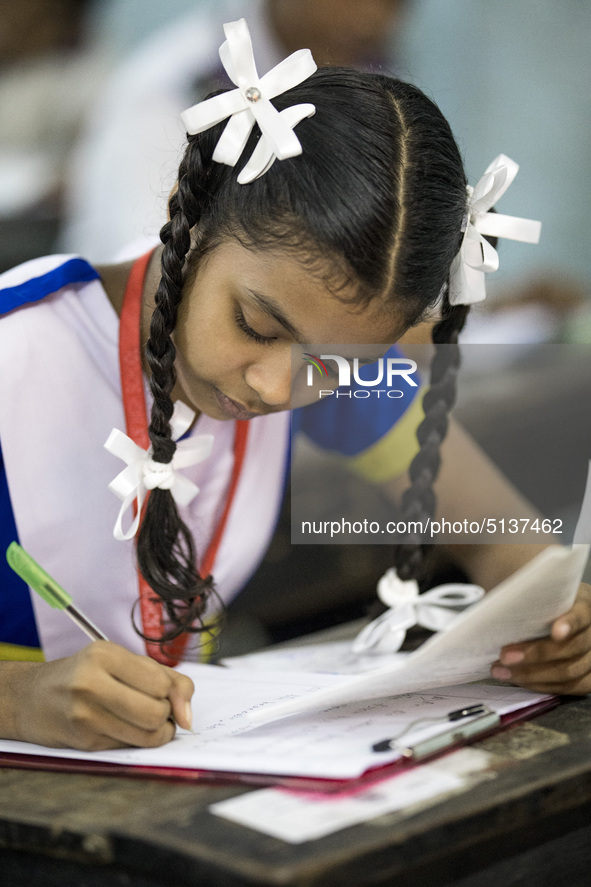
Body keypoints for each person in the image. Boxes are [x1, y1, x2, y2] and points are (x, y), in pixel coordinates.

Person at [0, 20, 589, 753]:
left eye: (335, 362)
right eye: (254, 322)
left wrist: (567, 623)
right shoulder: (16, 353)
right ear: (193, 214)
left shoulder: (335, 372)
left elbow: (503, 543)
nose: (278, 387)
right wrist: (16, 699)